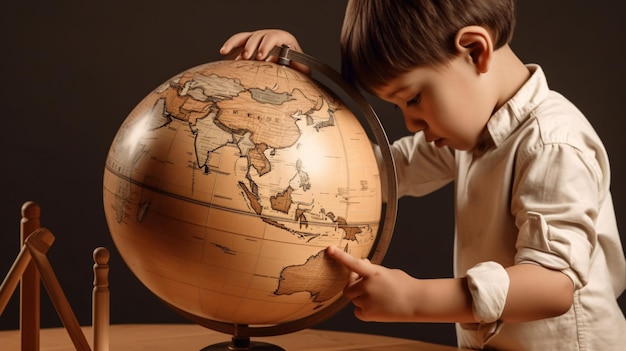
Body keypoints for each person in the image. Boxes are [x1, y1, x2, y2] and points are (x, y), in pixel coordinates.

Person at [219, 0, 626, 349]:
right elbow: (368, 172)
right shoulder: (476, 134)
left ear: (473, 49)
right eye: (400, 108)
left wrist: (415, 298)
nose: (412, 124)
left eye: (413, 97)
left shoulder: (554, 144)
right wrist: (293, 86)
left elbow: (553, 285)